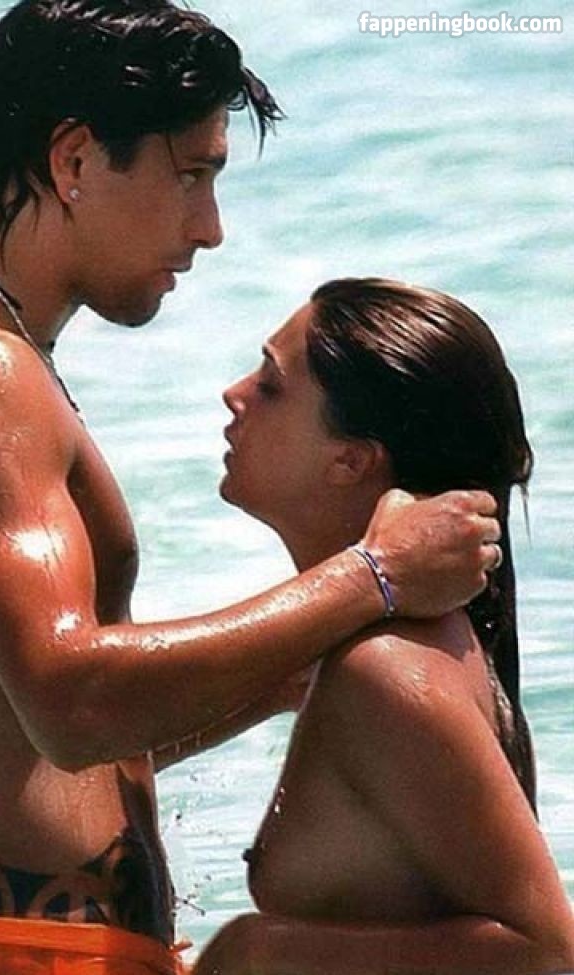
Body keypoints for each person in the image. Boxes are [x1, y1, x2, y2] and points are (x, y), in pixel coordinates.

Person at [0, 0, 502, 971]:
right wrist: (372, 576)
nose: (208, 229)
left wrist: (279, 678)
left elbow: (20, 741)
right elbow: (72, 701)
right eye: (192, 175)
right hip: (35, 954)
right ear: (75, 160)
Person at [194, 278, 574, 975]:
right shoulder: (373, 650)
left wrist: (258, 951)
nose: (234, 393)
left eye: (271, 385)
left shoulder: (390, 668)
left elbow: (549, 955)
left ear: (351, 460)